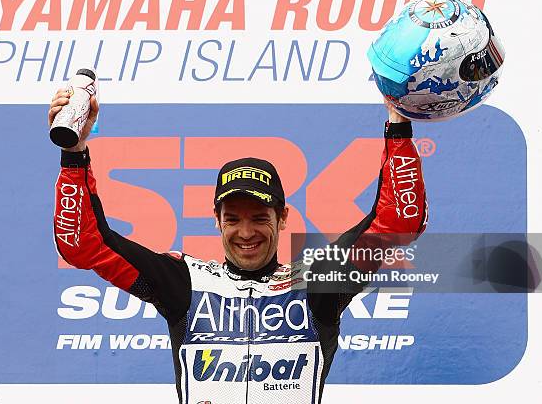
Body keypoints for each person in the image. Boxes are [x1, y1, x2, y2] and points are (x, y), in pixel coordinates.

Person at [49, 91, 427, 404]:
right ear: (217, 221)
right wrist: (75, 152)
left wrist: (397, 122)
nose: (245, 232)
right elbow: (82, 244)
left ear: (283, 218)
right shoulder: (183, 283)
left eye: (259, 217)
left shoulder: (316, 283)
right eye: (233, 218)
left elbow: (397, 224)